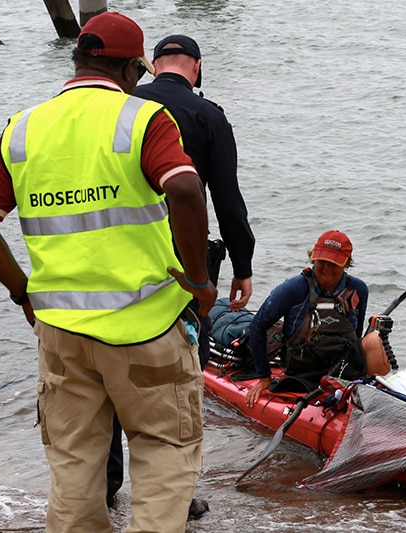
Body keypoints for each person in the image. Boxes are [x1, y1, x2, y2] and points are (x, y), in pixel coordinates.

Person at [0, 11, 217, 533]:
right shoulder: (142, 119)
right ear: (129, 71)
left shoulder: (24, 128)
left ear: (77, 62)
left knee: (75, 464)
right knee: (164, 453)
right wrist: (198, 280)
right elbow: (186, 190)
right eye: (139, 75)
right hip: (144, 326)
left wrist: (23, 292)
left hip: (61, 331)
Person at [106, 34, 256, 514]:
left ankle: (107, 485)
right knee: (181, 377)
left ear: (152, 65)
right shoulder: (209, 115)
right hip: (180, 267)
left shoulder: (126, 106)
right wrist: (242, 264)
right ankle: (178, 492)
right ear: (197, 67)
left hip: (116, 258)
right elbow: (226, 200)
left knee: (106, 369)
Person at [245, 230, 369, 408]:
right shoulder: (293, 288)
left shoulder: (359, 289)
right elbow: (257, 326)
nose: (326, 267)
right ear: (313, 258)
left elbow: (357, 338)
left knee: (374, 342)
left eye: (333, 263)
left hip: (340, 372)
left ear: (347, 264)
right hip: (301, 373)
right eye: (322, 261)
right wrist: (264, 376)